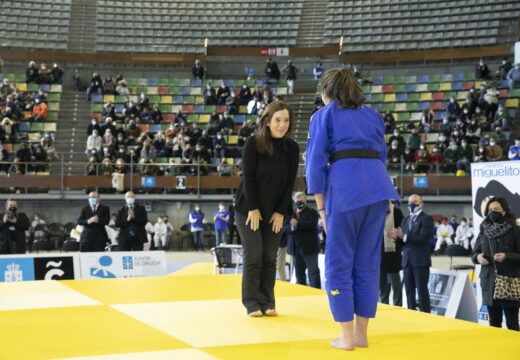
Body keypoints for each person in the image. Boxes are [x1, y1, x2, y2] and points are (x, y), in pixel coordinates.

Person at [306, 68, 399, 350]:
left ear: (327, 92)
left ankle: (346, 337)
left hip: (346, 188)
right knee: (368, 262)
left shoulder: (325, 114)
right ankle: (361, 334)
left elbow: (315, 163)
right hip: (378, 187)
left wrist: (321, 209)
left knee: (338, 262)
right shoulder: (372, 115)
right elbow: (382, 155)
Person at [235, 100, 299, 318]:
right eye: (277, 120)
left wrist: (281, 212)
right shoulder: (253, 143)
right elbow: (249, 179)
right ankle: (252, 302)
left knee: (270, 257)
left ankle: (267, 301)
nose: (282, 125)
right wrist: (253, 209)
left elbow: (289, 183)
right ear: (268, 121)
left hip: (275, 212)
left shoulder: (292, 148)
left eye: (286, 120)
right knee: (254, 255)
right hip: (248, 210)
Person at [472, 197, 520, 331]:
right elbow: (474, 253)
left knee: (512, 323)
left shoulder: (515, 230)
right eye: (490, 210)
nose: (492, 212)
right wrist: (478, 257)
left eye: (496, 209)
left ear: (504, 211)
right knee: (493, 323)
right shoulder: (484, 230)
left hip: (509, 281)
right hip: (489, 282)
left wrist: (507, 256)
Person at [391, 194, 433, 314]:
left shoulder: (426, 219)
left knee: (421, 290)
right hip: (407, 260)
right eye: (409, 201)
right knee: (409, 291)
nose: (411, 204)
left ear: (421, 204)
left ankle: (426, 315)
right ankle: (411, 313)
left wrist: (403, 236)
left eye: (414, 201)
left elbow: (423, 238)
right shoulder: (405, 219)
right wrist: (396, 237)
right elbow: (403, 242)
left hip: (420, 260)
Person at [288, 192, 321, 289]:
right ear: (294, 202)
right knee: (299, 274)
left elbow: (310, 225)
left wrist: (296, 225)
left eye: (301, 201)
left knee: (313, 272)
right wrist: (292, 227)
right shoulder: (292, 214)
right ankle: (301, 294)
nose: (299, 203)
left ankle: (316, 294)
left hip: (309, 248)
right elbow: (285, 228)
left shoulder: (312, 212)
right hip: (295, 249)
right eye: (297, 201)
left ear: (305, 201)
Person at [380, 200, 404, 306]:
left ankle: (397, 306)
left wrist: (397, 233)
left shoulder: (397, 212)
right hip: (379, 253)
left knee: (395, 283)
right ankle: (383, 304)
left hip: (393, 252)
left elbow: (403, 231)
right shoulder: (375, 212)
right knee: (382, 285)